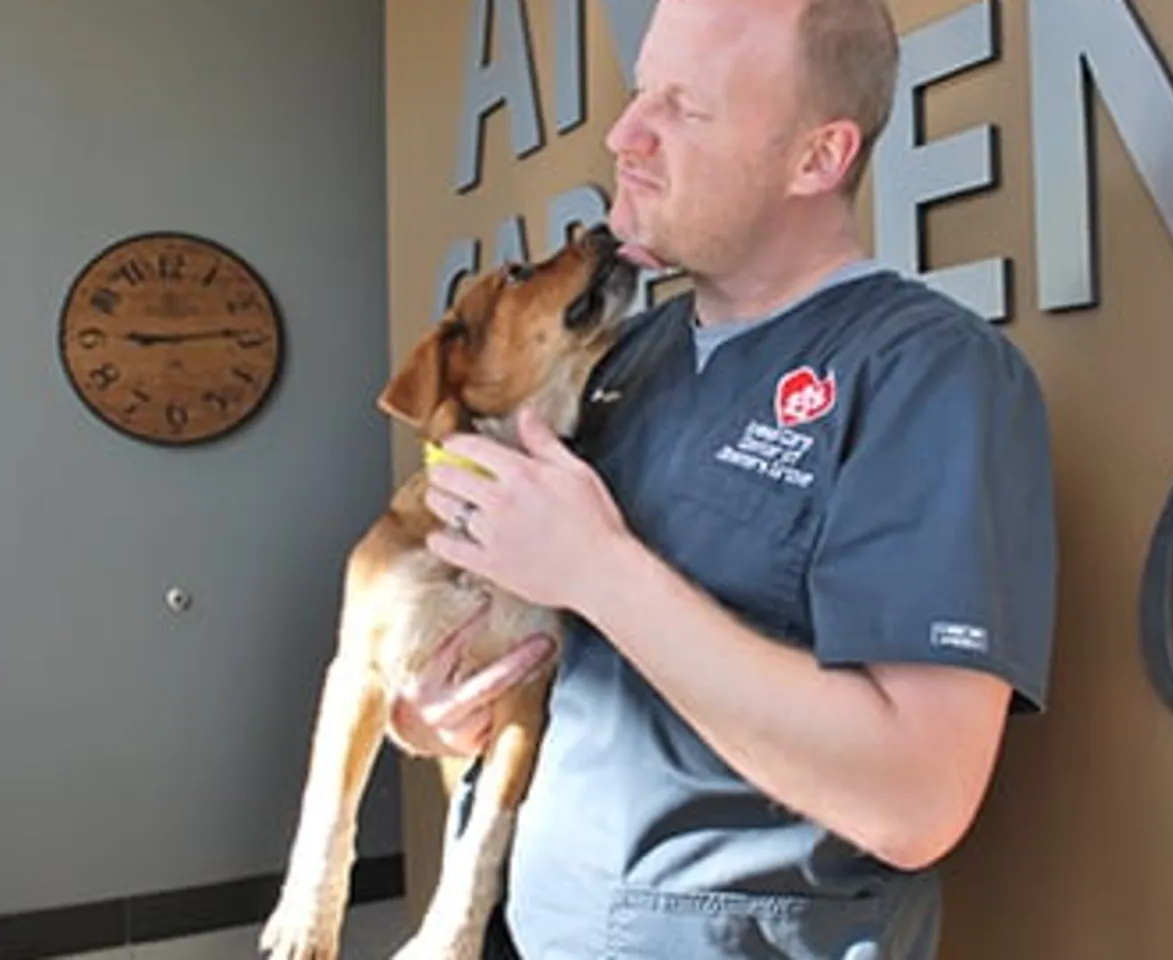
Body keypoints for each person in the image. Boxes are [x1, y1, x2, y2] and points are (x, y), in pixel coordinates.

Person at [401, 0, 1058, 956]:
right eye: (638, 96)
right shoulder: (623, 360)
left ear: (816, 159)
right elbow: (563, 684)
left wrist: (599, 569)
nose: (625, 137)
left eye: (684, 108)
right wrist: (440, 717)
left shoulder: (928, 376)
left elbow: (915, 799)